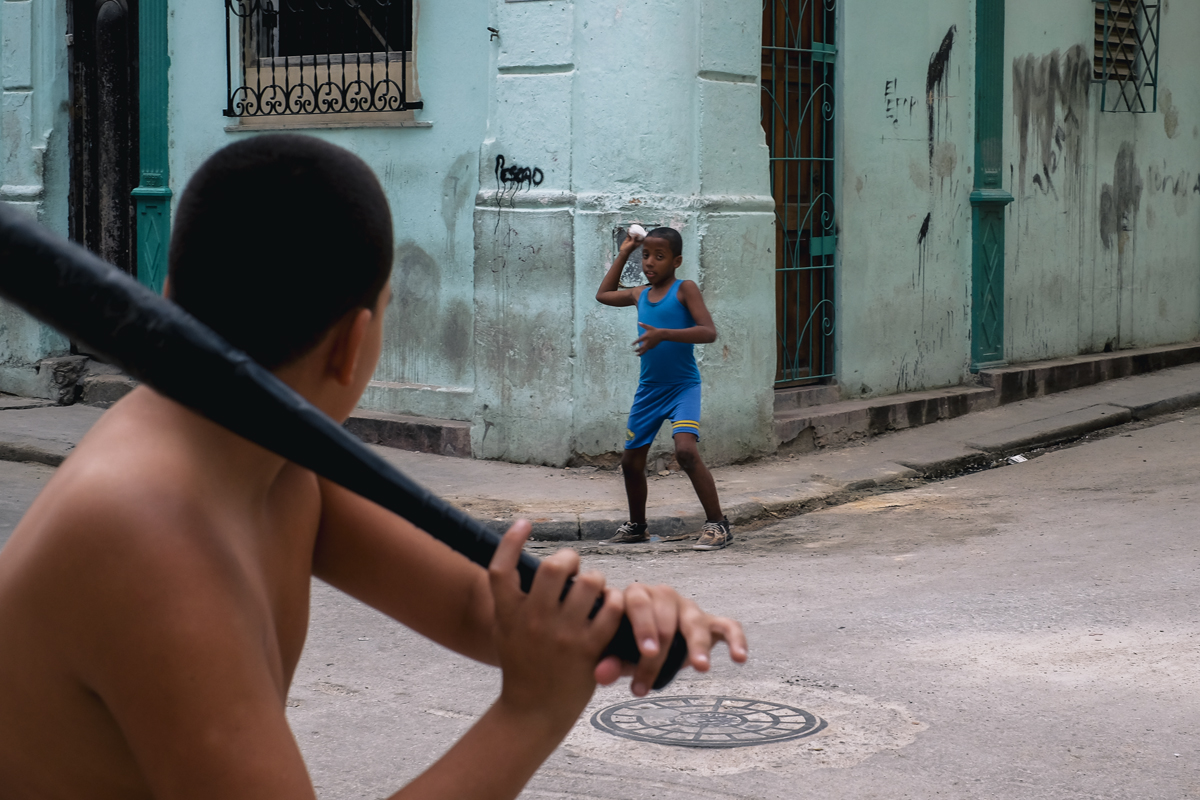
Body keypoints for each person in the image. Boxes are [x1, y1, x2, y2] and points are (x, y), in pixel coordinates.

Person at [0, 135, 747, 799]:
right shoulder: (149, 538)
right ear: (352, 346)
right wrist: (531, 713)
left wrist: (615, 624)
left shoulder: (273, 458)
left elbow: (474, 604)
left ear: (171, 294)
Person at [595, 227, 732, 551]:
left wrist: (664, 334)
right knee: (630, 463)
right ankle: (637, 527)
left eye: (659, 256)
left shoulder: (685, 289)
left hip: (683, 387)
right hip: (649, 391)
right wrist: (625, 251)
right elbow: (603, 294)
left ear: (676, 261)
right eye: (646, 255)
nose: (650, 262)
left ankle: (718, 524)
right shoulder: (639, 294)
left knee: (685, 451)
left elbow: (708, 332)